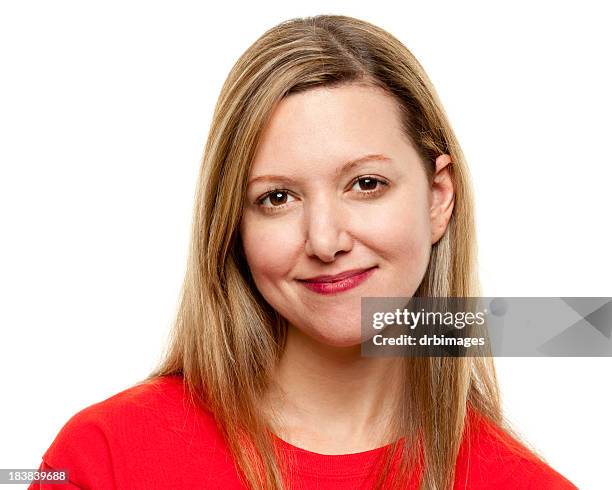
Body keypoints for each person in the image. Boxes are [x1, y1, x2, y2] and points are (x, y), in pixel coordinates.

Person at [30, 14, 577, 490]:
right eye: (277, 197)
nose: (325, 240)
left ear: (438, 198)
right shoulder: (105, 461)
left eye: (366, 184)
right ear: (233, 226)